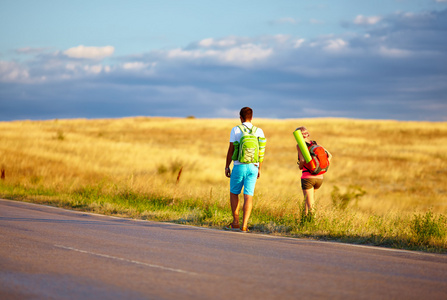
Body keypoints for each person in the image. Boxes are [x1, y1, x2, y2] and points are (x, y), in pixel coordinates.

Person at [225, 107, 265, 232]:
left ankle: (235, 222)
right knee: (248, 196)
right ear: (252, 117)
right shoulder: (259, 131)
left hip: (239, 166)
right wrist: (259, 168)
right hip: (253, 167)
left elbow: (231, 149)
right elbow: (261, 152)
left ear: (240, 117)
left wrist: (227, 166)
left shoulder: (236, 130)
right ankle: (244, 225)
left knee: (234, 193)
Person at [296, 126, 332, 219]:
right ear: (308, 134)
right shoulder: (315, 144)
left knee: (310, 205)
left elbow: (303, 160)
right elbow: (330, 156)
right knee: (307, 201)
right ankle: (304, 221)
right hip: (319, 178)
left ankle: (314, 224)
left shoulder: (300, 145)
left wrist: (300, 166)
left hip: (308, 178)